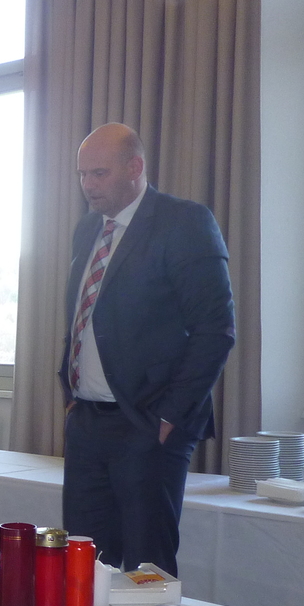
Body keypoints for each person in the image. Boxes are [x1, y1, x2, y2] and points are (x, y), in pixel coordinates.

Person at [59, 124, 235, 576]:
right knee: (83, 564)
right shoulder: (87, 229)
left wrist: (170, 415)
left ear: (135, 167)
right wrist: (72, 397)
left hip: (147, 422)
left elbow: (215, 330)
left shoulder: (183, 223)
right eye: (82, 175)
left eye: (99, 174)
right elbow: (82, 317)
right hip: (88, 421)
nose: (88, 185)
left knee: (146, 568)